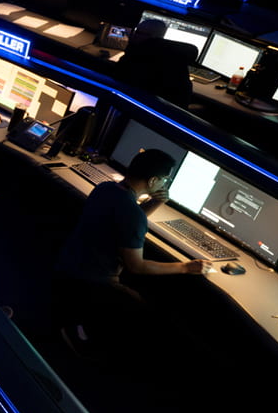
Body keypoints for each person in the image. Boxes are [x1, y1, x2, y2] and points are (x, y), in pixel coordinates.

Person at [53, 148, 203, 355]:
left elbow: (123, 221)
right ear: (152, 181)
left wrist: (156, 202)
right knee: (152, 316)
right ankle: (83, 338)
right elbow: (137, 266)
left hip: (68, 266)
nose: (164, 184)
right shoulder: (132, 215)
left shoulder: (105, 189)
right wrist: (186, 267)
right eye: (164, 180)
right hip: (94, 282)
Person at [117, 18, 198, 108]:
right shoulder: (173, 56)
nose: (134, 35)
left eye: (139, 33)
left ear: (153, 37)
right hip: (163, 110)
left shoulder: (137, 55)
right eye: (136, 31)